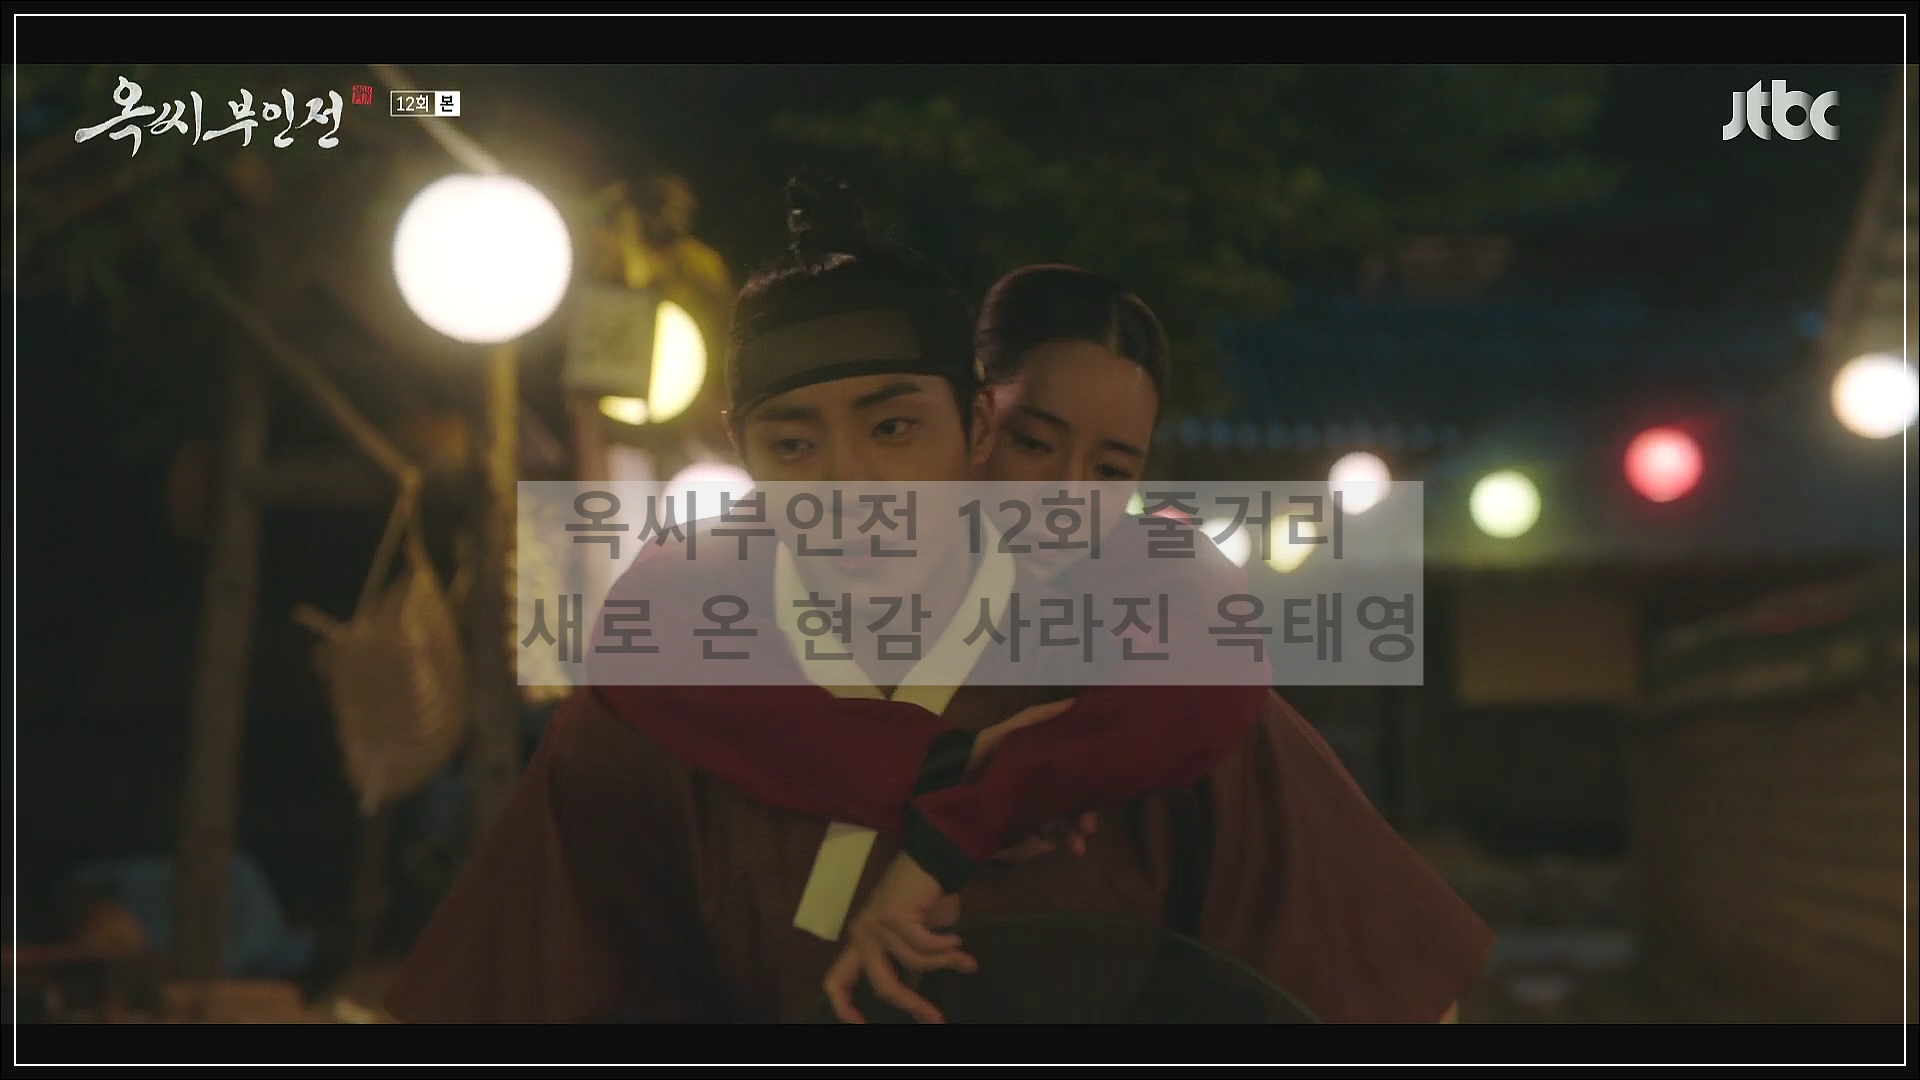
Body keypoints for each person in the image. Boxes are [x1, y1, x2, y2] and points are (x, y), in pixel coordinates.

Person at [383, 178, 1490, 1024]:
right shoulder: (657, 708)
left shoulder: (1146, 689)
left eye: (895, 426)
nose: (853, 484)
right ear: (745, 457)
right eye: (794, 444)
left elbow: (1390, 996)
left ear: (975, 428)